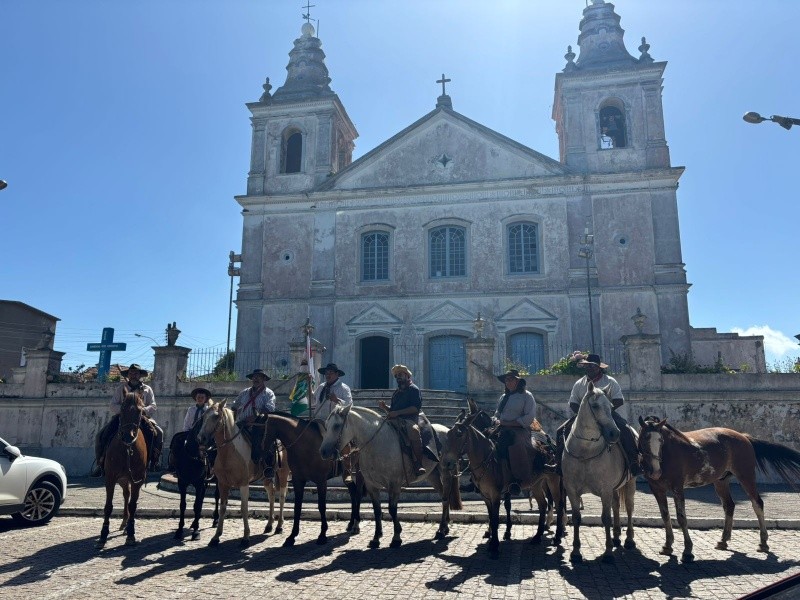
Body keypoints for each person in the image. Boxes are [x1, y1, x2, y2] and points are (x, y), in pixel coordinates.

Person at [554, 353, 641, 476]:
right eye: (587, 365)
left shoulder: (610, 381)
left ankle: (633, 463)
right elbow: (573, 402)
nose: (590, 368)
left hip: (608, 415)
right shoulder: (579, 383)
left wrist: (604, 412)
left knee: (625, 430)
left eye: (593, 366)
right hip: (583, 417)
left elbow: (619, 400)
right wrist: (583, 414)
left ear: (599, 367)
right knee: (561, 431)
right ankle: (559, 464)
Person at [90, 364, 162, 476]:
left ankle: (154, 461)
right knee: (100, 435)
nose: (133, 375)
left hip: (141, 417)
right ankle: (100, 463)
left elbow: (153, 405)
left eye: (136, 373)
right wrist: (124, 410)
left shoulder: (147, 389)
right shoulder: (121, 388)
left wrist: (143, 410)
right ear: (128, 375)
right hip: (122, 418)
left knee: (158, 433)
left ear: (140, 375)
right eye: (131, 373)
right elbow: (113, 405)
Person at [378, 364, 437, 476]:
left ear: (406, 375)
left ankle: (419, 464)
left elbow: (415, 408)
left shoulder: (413, 389)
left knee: (414, 431)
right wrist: (385, 407)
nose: (398, 377)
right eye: (396, 376)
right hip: (396, 420)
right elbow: (393, 410)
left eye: (400, 374)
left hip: (410, 419)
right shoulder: (397, 392)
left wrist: (397, 413)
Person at [493, 369, 538, 496]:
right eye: (506, 380)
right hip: (501, 427)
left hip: (519, 429)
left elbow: (529, 416)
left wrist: (508, 423)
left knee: (516, 444)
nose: (508, 382)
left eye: (511, 379)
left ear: (518, 381)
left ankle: (518, 480)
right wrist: (495, 420)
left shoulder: (527, 396)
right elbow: (497, 413)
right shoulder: (503, 397)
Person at [230, 368, 276, 477]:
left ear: (264, 379)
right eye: (254, 377)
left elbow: (270, 409)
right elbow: (234, 406)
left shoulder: (269, 393)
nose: (256, 379)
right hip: (242, 424)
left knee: (264, 443)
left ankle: (267, 467)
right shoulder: (245, 392)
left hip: (259, 425)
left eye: (259, 376)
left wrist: (255, 417)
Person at [168, 387, 212, 473]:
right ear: (195, 398)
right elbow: (187, 422)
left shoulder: (207, 410)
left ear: (205, 399)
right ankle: (173, 463)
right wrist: (187, 432)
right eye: (198, 397)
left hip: (203, 434)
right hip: (191, 432)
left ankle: (212, 466)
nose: (200, 399)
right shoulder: (191, 410)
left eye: (202, 397)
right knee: (176, 438)